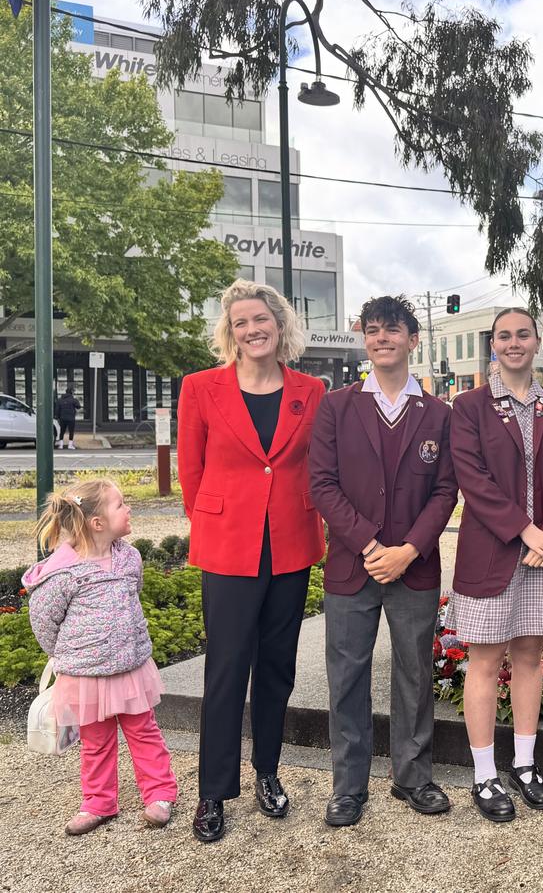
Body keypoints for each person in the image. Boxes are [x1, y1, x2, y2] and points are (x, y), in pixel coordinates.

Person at [177, 279, 326, 844]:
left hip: (291, 543)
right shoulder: (200, 387)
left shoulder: (311, 390)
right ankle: (213, 791)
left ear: (279, 324)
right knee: (226, 669)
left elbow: (318, 464)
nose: (251, 329)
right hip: (228, 545)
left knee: (277, 668)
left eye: (260, 319)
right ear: (230, 331)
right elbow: (191, 471)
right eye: (240, 322)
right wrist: (217, 522)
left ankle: (267, 771)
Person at [309, 296, 458, 827]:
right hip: (354, 565)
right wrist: (371, 547)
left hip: (414, 566)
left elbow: (445, 491)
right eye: (372, 330)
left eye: (392, 330)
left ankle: (413, 777)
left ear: (412, 339)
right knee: (347, 675)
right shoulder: (337, 406)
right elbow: (322, 484)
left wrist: (408, 550)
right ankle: (348, 785)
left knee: (414, 672)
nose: (381, 338)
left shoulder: (438, 414)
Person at [447, 307, 543, 822]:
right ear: (493, 345)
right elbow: (472, 479)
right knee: (484, 661)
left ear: (537, 341)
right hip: (493, 553)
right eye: (504, 336)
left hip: (541, 555)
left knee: (528, 656)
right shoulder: (469, 406)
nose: (514, 342)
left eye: (523, 334)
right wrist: (526, 530)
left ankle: (524, 763)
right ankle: (484, 774)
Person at [25, 479, 177, 835]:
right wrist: (66, 654)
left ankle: (160, 793)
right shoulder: (63, 573)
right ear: (97, 523)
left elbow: (134, 593)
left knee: (144, 731)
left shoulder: (129, 558)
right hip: (86, 676)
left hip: (129, 669)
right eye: (120, 504)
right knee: (95, 741)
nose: (129, 509)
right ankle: (98, 801)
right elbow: (43, 620)